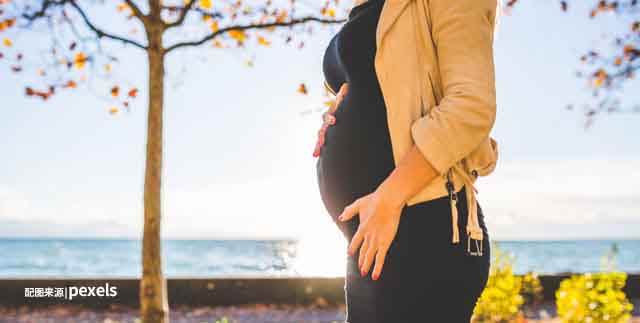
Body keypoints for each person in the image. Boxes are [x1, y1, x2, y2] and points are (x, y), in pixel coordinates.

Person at [313, 0, 499, 321]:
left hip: (424, 228)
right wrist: (335, 116)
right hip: (372, 233)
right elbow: (377, 90)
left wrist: (389, 197)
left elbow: (471, 106)